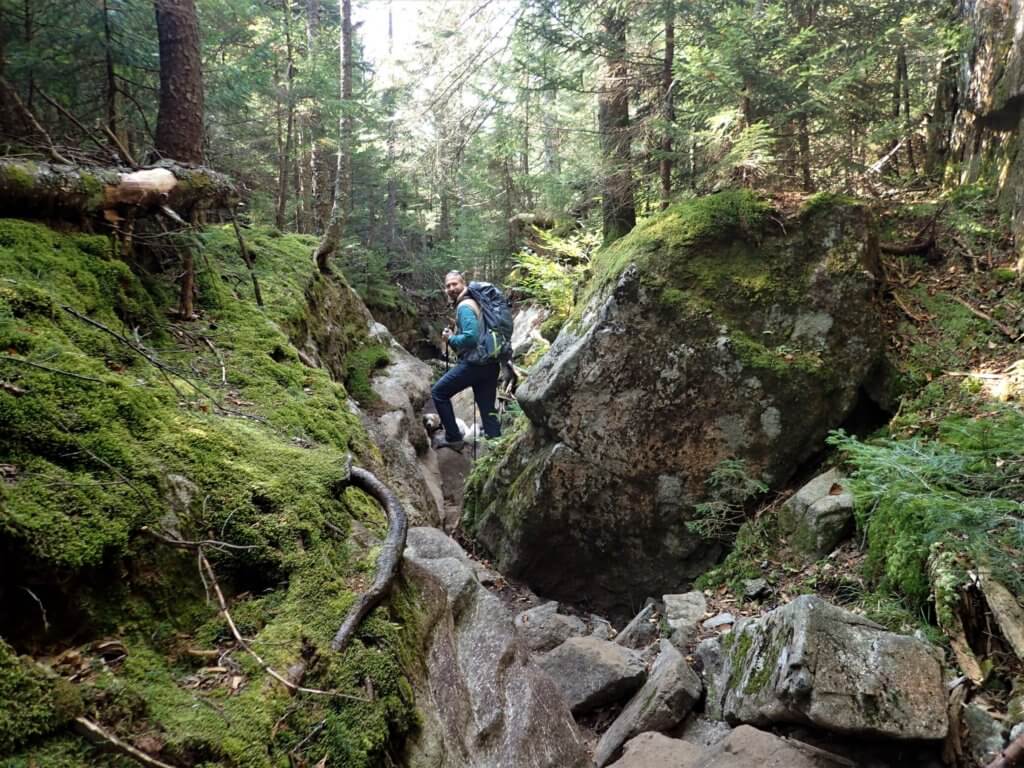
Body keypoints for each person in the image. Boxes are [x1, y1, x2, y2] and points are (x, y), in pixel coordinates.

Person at [431, 270, 502, 450]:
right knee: (487, 407)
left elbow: (470, 338)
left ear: (464, 284)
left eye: (455, 284)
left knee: (438, 393)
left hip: (474, 365)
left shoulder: (464, 306)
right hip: (490, 362)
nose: (451, 288)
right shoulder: (478, 302)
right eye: (448, 286)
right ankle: (496, 444)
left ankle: (453, 437)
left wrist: (451, 339)